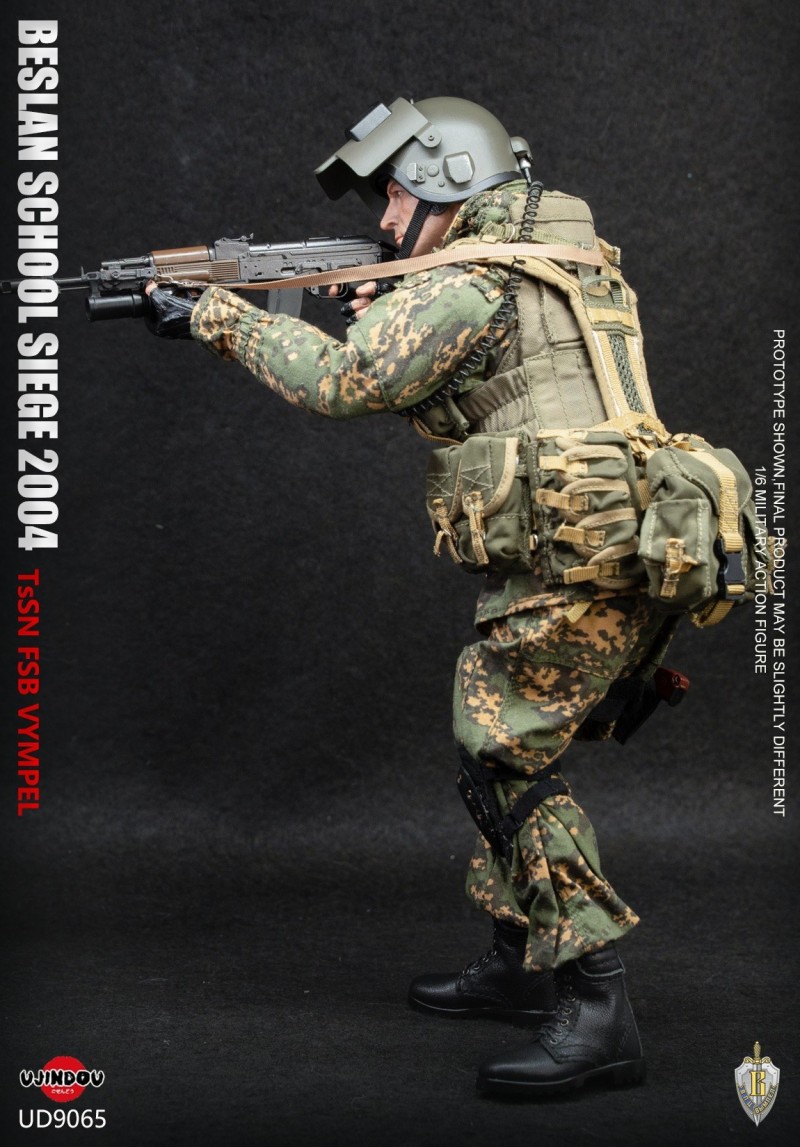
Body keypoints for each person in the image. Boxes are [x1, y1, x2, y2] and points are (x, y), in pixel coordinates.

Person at [146, 96, 678, 1097]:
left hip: (583, 556)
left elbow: (345, 381)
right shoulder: (552, 256)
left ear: (450, 183)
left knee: (502, 754)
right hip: (607, 540)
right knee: (494, 738)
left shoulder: (472, 279)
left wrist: (216, 314)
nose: (386, 221)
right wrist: (395, 313)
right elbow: (489, 393)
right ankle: (521, 961)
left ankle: (597, 1005)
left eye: (396, 197)